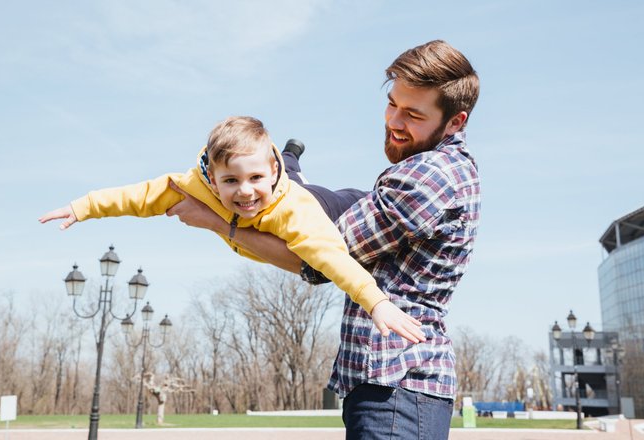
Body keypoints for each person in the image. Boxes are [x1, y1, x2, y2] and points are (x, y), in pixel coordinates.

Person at [166, 40, 480, 440]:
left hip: (396, 386)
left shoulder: (427, 177)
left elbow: (315, 260)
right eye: (392, 103)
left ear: (455, 121)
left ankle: (290, 172)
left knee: (311, 199)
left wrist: (217, 221)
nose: (393, 120)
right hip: (395, 389)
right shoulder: (441, 170)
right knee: (318, 198)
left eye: (413, 114)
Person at [39, 116, 425, 344]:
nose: (244, 192)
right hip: (277, 177)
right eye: (230, 181)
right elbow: (137, 196)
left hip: (328, 205)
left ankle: (290, 158)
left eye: (255, 177)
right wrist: (82, 207)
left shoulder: (296, 212)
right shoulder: (194, 184)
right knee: (283, 174)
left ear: (269, 172)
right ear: (211, 175)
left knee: (331, 194)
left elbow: (332, 259)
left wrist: (376, 301)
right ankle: (290, 155)